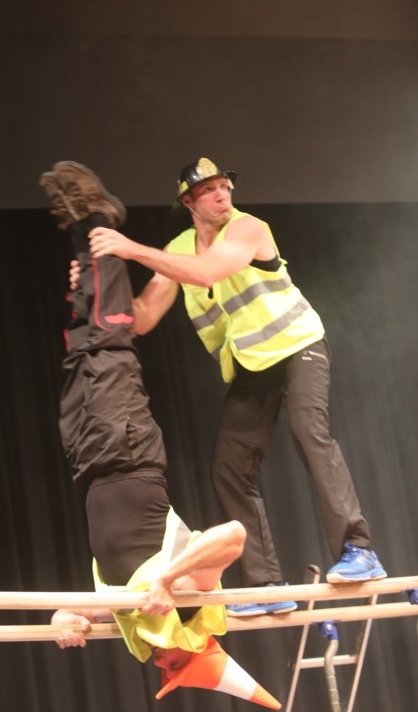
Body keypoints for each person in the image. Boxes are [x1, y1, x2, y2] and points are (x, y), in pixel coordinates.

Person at [86, 156, 387, 617]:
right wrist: (99, 281)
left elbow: (207, 272)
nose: (222, 195)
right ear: (189, 202)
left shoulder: (248, 228)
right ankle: (265, 584)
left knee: (310, 432)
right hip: (253, 366)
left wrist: (129, 248)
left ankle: (358, 549)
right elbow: (142, 317)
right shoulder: (178, 248)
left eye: (224, 186)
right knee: (228, 466)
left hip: (298, 346)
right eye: (209, 190)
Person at [40, 161, 280, 707]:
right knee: (107, 344)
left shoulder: (137, 622)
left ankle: (86, 248)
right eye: (174, 666)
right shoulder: (192, 605)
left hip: (88, 465)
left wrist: (64, 620)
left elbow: (73, 608)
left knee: (82, 350)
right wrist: (168, 582)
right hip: (128, 454)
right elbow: (233, 536)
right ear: (196, 649)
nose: (160, 665)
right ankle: (94, 217)